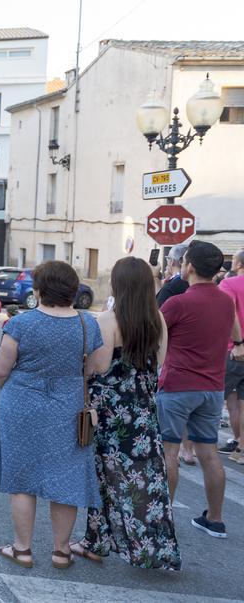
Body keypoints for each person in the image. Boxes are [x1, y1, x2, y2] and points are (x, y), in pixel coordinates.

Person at [0, 260, 104, 569]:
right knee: (66, 479)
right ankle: (61, 551)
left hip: (22, 404)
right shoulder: (87, 324)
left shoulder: (20, 323)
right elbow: (92, 369)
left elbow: (1, 369)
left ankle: (23, 549)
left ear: (39, 290)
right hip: (69, 407)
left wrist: (11, 387)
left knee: (22, 478)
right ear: (73, 290)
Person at [73, 256, 180, 569]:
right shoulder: (157, 319)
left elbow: (97, 367)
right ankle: (155, 548)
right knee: (146, 482)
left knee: (101, 480)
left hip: (110, 415)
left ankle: (95, 540)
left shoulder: (106, 321)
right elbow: (159, 363)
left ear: (116, 284)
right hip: (143, 412)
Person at [157, 240, 242, 539]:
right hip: (212, 387)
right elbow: (236, 334)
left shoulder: (177, 302)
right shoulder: (225, 301)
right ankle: (215, 519)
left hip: (178, 385)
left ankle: (162, 519)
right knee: (208, 453)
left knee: (169, 450)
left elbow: (153, 335)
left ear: (188, 266)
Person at [220, 250, 244, 460]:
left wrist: (238, 342)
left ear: (238, 264)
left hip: (233, 351)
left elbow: (227, 313)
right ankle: (241, 448)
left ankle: (196, 447)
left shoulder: (229, 284)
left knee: (217, 397)